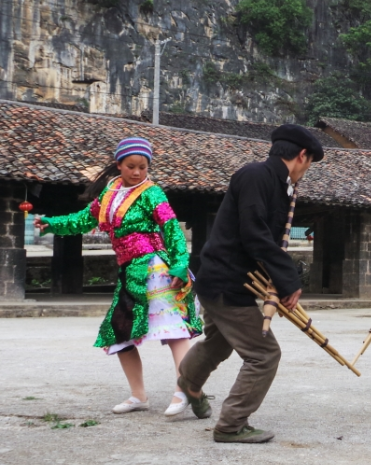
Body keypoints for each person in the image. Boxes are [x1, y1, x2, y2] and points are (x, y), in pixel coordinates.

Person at [177, 124, 323, 444]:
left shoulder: (277, 184)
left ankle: (189, 382)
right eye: (309, 163)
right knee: (264, 354)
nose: (306, 170)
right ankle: (231, 425)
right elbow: (254, 234)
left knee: (218, 342)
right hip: (228, 281)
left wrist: (278, 279)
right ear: (302, 155)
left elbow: (262, 238)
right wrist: (287, 280)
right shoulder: (255, 176)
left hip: (222, 278)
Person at [35, 137, 202, 416]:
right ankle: (138, 395)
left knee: (174, 331)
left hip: (156, 269)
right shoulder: (110, 192)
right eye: (131, 166)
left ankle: (183, 390)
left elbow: (172, 228)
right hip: (128, 272)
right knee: (117, 334)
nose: (137, 172)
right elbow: (83, 220)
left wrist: (179, 265)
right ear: (119, 166)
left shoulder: (152, 193)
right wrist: (52, 223)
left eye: (142, 167)